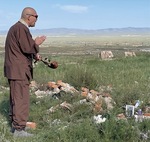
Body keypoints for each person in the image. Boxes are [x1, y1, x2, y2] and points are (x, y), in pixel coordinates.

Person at [4, 7, 46, 137]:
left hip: (15, 70)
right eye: (36, 16)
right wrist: (36, 43)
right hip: (19, 71)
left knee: (16, 98)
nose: (36, 19)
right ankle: (19, 130)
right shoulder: (21, 29)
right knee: (21, 99)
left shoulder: (15, 28)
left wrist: (34, 55)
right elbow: (27, 47)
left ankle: (16, 127)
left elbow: (21, 50)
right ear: (29, 16)